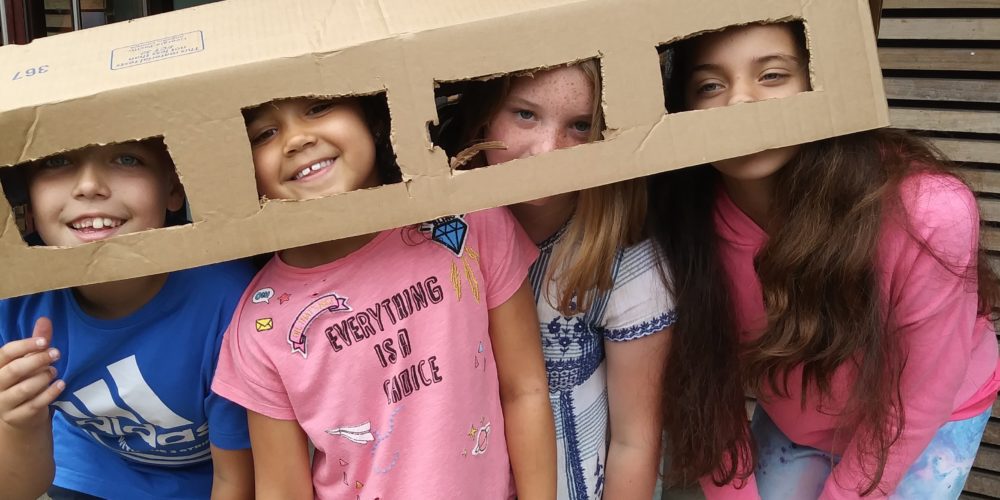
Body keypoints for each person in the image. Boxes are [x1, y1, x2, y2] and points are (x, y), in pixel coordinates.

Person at [651, 22, 1000, 499]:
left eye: (772, 75)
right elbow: (706, 385)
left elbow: (920, 395)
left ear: (818, 83)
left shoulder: (929, 213)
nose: (740, 102)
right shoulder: (683, 220)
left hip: (924, 416)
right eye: (710, 85)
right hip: (800, 410)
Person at [211, 95, 556, 499]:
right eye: (264, 133)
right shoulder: (262, 322)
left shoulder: (467, 220)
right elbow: (283, 490)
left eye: (318, 108)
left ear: (371, 116)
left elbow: (525, 389)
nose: (297, 139)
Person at [452, 62, 674, 499]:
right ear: (484, 114)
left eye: (580, 126)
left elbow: (635, 442)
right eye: (525, 114)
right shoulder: (434, 239)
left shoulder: (624, 265)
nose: (548, 149)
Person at [0, 138, 256, 500]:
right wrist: (17, 423)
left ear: (173, 187)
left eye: (126, 159)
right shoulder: (17, 306)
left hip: (207, 480)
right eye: (56, 160)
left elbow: (237, 480)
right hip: (89, 469)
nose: (89, 186)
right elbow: (17, 490)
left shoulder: (225, 301)